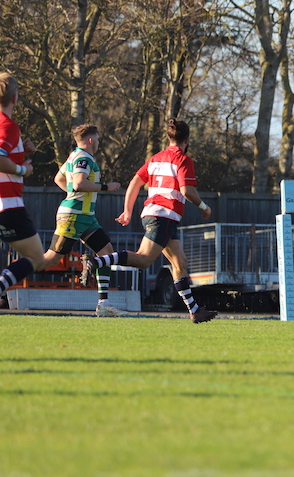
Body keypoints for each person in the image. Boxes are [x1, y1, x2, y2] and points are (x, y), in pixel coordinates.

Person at [81, 119, 218, 324]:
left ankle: (195, 310)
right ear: (187, 140)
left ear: (169, 137)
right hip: (164, 215)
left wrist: (128, 211)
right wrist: (204, 207)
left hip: (157, 215)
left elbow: (135, 182)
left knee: (179, 262)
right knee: (143, 260)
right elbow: (187, 191)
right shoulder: (183, 160)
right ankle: (96, 261)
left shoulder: (155, 159)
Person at [41, 124, 124, 316]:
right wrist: (106, 187)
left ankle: (103, 303)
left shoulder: (74, 155)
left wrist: (73, 194)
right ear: (90, 140)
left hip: (85, 217)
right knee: (50, 259)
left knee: (106, 253)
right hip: (73, 217)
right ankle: (6, 279)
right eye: (97, 138)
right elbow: (78, 183)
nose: (98, 142)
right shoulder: (84, 158)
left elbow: (59, 179)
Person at [0, 73, 49, 305]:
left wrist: (20, 153)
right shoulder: (8, 125)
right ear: (15, 99)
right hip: (7, 204)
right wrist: (23, 169)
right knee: (36, 257)